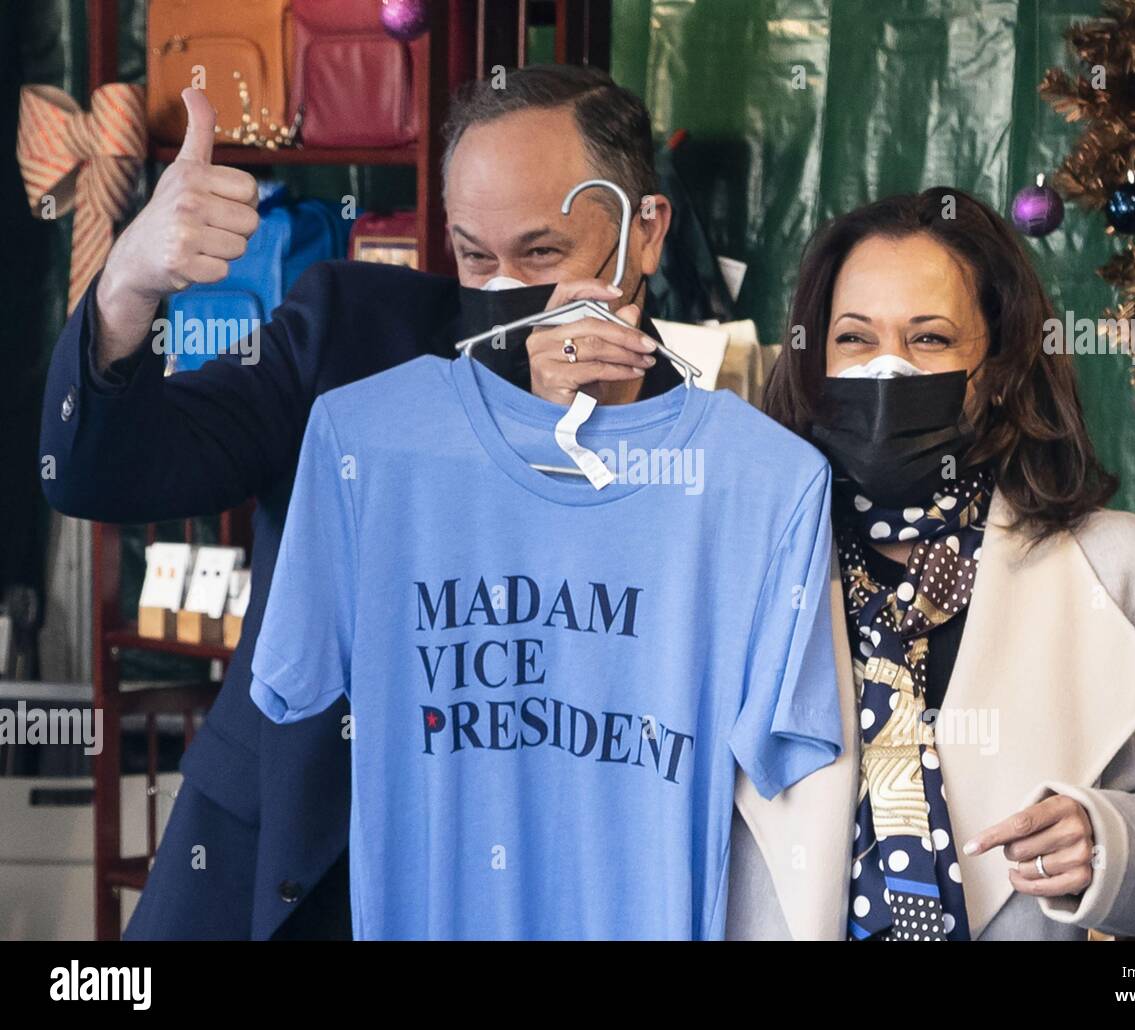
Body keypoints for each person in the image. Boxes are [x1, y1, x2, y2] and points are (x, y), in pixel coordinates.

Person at [39, 64, 682, 940]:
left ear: (645, 234)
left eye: (540, 254)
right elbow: (99, 471)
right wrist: (128, 288)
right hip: (275, 849)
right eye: (472, 255)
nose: (502, 289)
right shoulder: (347, 331)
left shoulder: (697, 450)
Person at [757, 187, 1135, 939]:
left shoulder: (1114, 563)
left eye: (930, 339)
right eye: (854, 339)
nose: (888, 370)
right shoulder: (751, 560)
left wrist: (1105, 838)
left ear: (1001, 366)